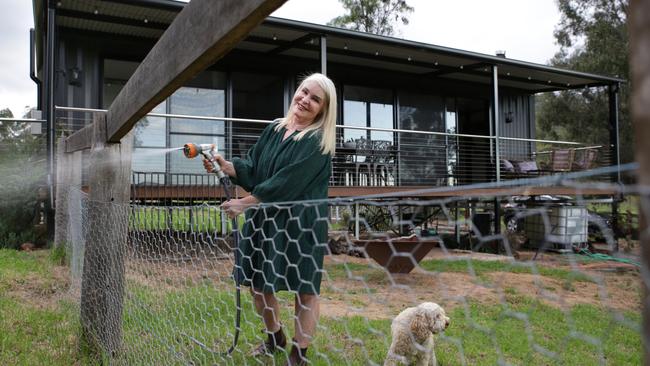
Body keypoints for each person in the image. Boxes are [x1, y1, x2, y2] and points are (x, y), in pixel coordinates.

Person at [203, 73, 336, 365]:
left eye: (315, 99)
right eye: (304, 92)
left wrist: (244, 204)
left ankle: (298, 354)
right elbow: (253, 167)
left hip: (299, 224)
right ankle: (275, 337)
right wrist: (228, 166)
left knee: (305, 290)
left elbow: (285, 184)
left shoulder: (317, 142)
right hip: (265, 219)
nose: (305, 100)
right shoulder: (274, 129)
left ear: (324, 110)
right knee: (258, 284)